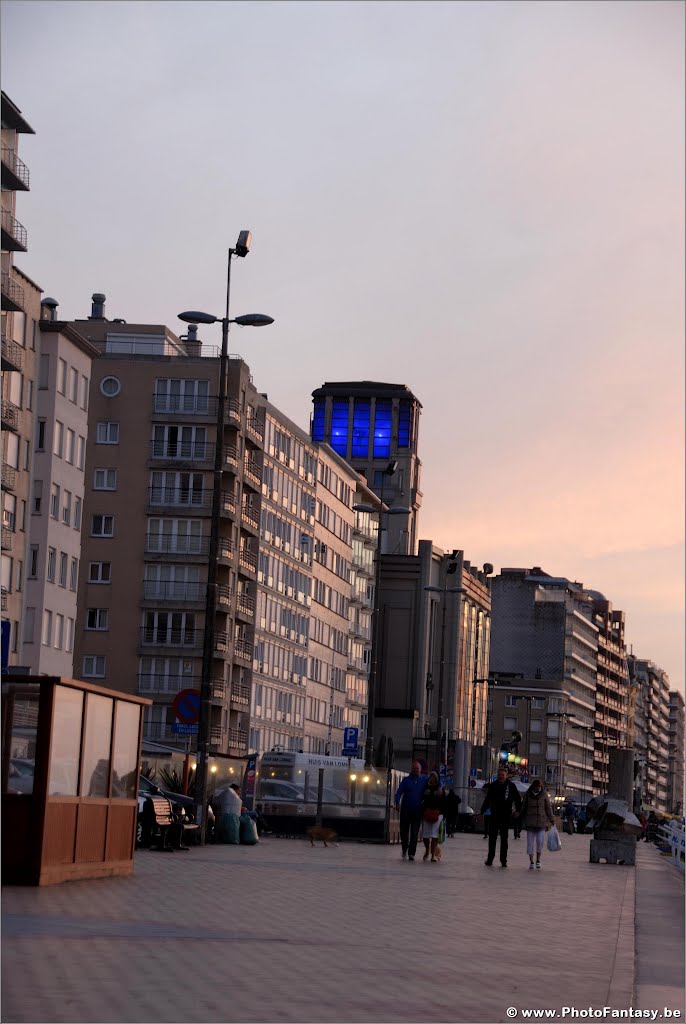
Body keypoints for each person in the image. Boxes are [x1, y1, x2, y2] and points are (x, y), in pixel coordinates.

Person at [481, 767, 522, 867]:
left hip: (506, 816)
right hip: (494, 815)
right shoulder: (493, 786)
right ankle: (490, 859)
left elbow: (517, 799)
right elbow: (487, 799)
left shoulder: (511, 786)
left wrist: (518, 810)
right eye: (499, 775)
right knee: (492, 838)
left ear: (506, 776)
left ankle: (503, 860)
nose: (501, 777)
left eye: (502, 775)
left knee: (504, 839)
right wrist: (482, 811)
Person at [394, 760, 428, 861]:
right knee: (404, 831)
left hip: (417, 811)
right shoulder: (406, 780)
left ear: (420, 770)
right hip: (405, 810)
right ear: (411, 770)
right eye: (414, 769)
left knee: (414, 833)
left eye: (418, 769)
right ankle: (405, 847)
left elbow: (436, 780)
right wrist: (397, 802)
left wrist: (440, 787)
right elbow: (399, 792)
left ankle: (411, 853)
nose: (416, 770)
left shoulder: (424, 779)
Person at [520, 779, 555, 869]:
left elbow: (548, 808)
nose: (538, 788)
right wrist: (519, 816)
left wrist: (552, 819)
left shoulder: (544, 794)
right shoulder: (528, 794)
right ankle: (531, 861)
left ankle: (538, 860)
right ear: (533, 786)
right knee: (530, 843)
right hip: (530, 821)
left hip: (541, 822)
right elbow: (523, 807)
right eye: (536, 787)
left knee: (540, 842)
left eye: (539, 787)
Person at [420, 771, 445, 862]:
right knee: (425, 835)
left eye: (434, 777)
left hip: (438, 813)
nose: (432, 778)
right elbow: (421, 797)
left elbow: (444, 801)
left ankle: (433, 855)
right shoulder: (425, 786)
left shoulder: (440, 788)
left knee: (434, 834)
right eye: (431, 776)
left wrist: (443, 814)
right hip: (427, 812)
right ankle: (427, 850)